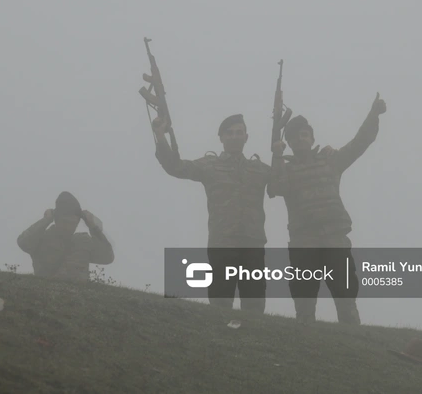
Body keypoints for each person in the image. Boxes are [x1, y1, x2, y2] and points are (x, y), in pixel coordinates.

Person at [269, 93, 387, 325]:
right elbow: (274, 188)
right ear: (290, 142)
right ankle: (305, 340)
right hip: (304, 239)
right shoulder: (285, 168)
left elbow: (359, 143)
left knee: (345, 294)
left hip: (335, 237)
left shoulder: (330, 160)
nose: (301, 139)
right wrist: (277, 155)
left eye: (305, 135)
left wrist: (373, 115)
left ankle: (352, 339)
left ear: (312, 139)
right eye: (296, 137)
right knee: (304, 297)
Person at [152, 114, 270, 314]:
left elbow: (286, 181)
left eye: (239, 133)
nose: (234, 137)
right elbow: (176, 167)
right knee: (220, 303)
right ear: (221, 138)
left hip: (253, 243)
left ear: (246, 137)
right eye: (229, 133)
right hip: (222, 242)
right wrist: (160, 136)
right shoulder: (210, 165)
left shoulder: (259, 168)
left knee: (255, 304)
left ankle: (253, 344)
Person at [16, 191, 114, 282]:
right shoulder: (41, 239)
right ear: (56, 220)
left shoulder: (83, 241)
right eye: (65, 222)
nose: (69, 227)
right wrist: (45, 220)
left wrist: (93, 227)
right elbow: (23, 243)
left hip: (78, 294)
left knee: (82, 240)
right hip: (47, 291)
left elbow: (107, 257)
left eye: (73, 223)